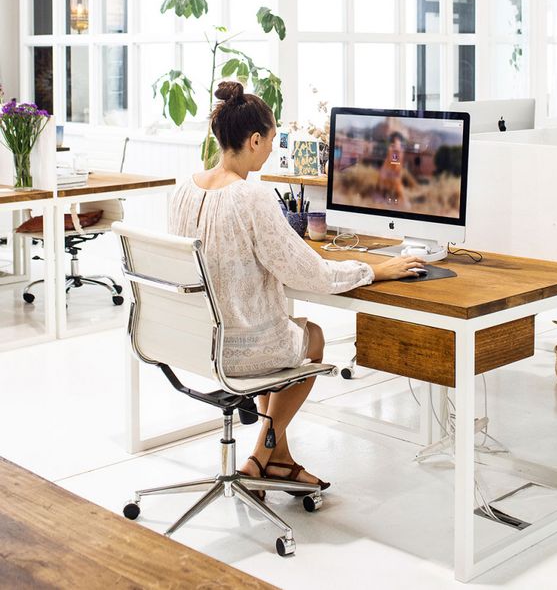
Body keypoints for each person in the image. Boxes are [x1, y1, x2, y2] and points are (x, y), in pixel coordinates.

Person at [168, 81, 424, 496]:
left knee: (285, 329)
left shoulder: (184, 189)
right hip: (237, 348)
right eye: (271, 141)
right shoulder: (250, 197)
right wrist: (376, 270)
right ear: (253, 140)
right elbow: (311, 275)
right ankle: (259, 456)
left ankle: (278, 462)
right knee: (314, 337)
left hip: (192, 340)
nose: (272, 149)